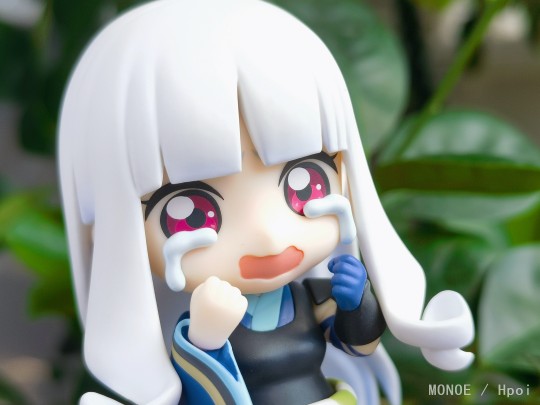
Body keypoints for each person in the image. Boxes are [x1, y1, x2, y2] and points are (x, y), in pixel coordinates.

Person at [58, 0, 475, 404]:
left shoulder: (310, 298)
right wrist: (206, 339)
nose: (267, 234)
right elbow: (195, 394)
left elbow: (359, 344)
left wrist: (357, 301)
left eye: (304, 184)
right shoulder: (197, 325)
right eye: (191, 213)